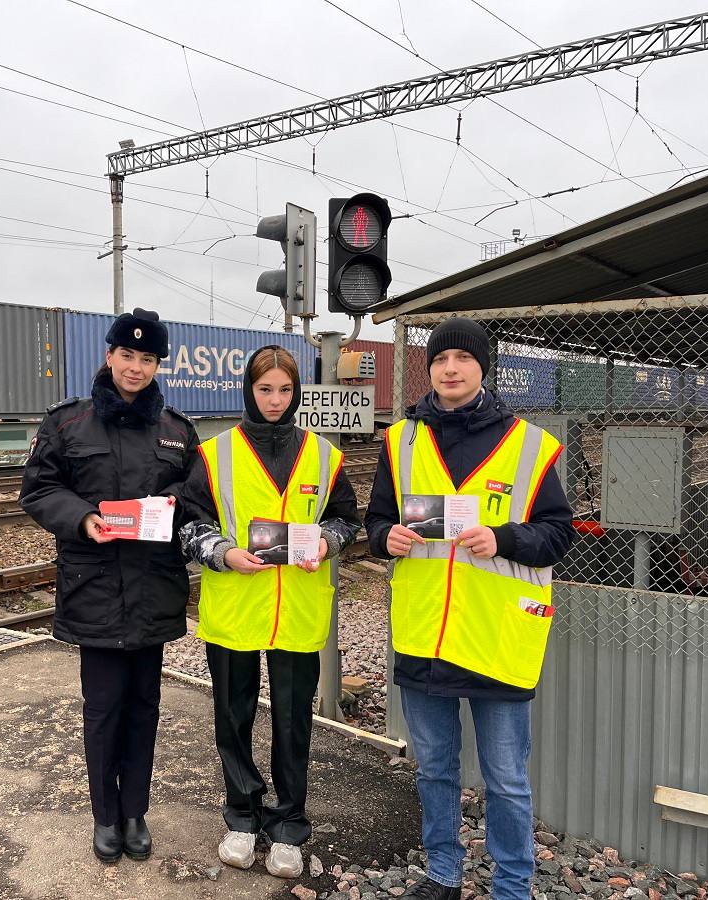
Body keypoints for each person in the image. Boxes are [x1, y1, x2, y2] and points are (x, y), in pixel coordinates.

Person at [364, 317, 575, 900]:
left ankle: (513, 885)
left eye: (462, 358)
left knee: (506, 780)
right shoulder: (400, 440)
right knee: (434, 769)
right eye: (440, 359)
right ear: (427, 368)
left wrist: (503, 538)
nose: (450, 369)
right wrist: (388, 539)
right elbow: (376, 521)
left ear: (483, 369)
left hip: (494, 638)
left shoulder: (529, 443)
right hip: (425, 635)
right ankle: (443, 875)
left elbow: (559, 534)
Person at [18, 308, 199, 865]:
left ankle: (135, 812)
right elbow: (38, 488)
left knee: (145, 707)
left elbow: (194, 500)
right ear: (109, 355)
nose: (136, 367)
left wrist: (174, 507)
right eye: (127, 355)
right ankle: (104, 816)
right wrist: (81, 518)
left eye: (147, 359)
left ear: (157, 364)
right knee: (102, 710)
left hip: (152, 589)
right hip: (93, 588)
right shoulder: (67, 424)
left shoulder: (175, 431)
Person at [180, 345, 361, 879]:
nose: (276, 400)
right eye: (265, 389)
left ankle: (288, 824)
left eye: (285, 389)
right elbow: (190, 523)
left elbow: (345, 518)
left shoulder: (325, 456)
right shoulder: (215, 454)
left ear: (297, 390)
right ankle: (241, 814)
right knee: (232, 719)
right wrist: (223, 553)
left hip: (298, 611)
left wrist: (327, 542)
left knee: (292, 721)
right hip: (237, 605)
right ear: (249, 391)